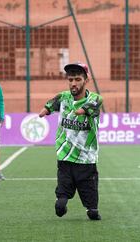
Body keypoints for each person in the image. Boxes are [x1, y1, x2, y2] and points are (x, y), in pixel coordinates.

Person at [39, 62, 103, 220]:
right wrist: (46, 110)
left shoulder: (95, 99)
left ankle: (91, 208)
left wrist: (80, 111)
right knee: (60, 207)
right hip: (65, 158)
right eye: (70, 79)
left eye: (78, 79)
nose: (73, 83)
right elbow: (50, 105)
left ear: (86, 80)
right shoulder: (63, 97)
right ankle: (61, 201)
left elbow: (86, 108)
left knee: (93, 213)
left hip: (86, 160)